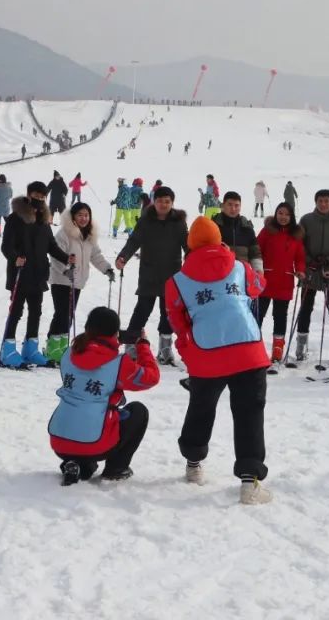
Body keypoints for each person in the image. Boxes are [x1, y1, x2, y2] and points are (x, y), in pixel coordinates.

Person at [166, 216, 272, 505]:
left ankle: (193, 463)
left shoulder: (177, 281)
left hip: (206, 353)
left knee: (201, 408)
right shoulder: (239, 267)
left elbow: (176, 319)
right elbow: (259, 287)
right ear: (218, 239)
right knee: (249, 412)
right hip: (248, 350)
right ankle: (250, 482)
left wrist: (188, 348)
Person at [49, 306, 160, 485]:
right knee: (137, 411)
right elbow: (151, 378)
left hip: (59, 440)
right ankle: (116, 468)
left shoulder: (68, 354)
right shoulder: (118, 363)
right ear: (115, 333)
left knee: (90, 410)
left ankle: (77, 465)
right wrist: (143, 347)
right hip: (94, 443)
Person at [0, 181, 72, 369]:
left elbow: (51, 246)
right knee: (16, 312)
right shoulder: (16, 218)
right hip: (20, 273)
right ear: (29, 194)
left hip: (39, 273)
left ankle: (30, 349)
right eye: (36, 195)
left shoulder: (43, 221)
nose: (39, 199)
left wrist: (66, 259)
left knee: (36, 312)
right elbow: (6, 246)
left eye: (42, 197)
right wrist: (15, 258)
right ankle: (7, 350)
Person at [114, 187, 188, 363]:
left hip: (172, 274)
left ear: (172, 203)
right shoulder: (146, 221)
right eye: (160, 201)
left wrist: (194, 260)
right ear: (154, 202)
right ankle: (131, 343)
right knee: (142, 310)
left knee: (168, 312)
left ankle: (165, 347)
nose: (163, 204)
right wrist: (123, 256)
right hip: (149, 273)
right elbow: (134, 241)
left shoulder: (178, 222)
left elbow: (187, 244)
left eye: (167, 201)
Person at [45, 202, 116, 362]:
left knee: (69, 315)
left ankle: (61, 346)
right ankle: (52, 348)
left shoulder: (89, 236)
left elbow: (95, 255)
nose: (84, 218)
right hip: (62, 280)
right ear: (73, 217)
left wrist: (107, 269)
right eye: (80, 215)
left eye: (86, 215)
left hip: (77, 281)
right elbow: (56, 257)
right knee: (62, 314)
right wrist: (66, 269)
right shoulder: (64, 234)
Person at [295, 190, 329, 363]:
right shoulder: (306, 220)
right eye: (320, 201)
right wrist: (309, 260)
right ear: (316, 202)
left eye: (327, 201)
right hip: (310, 271)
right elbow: (299, 243)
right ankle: (301, 343)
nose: (323, 204)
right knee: (306, 307)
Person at [256, 202, 306, 364]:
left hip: (285, 280)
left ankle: (278, 349)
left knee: (280, 316)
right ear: (276, 214)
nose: (283, 217)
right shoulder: (267, 231)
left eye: (286, 214)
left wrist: (300, 270)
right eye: (280, 213)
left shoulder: (295, 236)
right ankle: (253, 347)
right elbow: (256, 251)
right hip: (265, 279)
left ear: (291, 217)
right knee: (258, 314)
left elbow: (299, 257)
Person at [212, 191, 263, 272]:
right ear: (223, 205)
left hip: (241, 277)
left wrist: (258, 272)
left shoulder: (247, 227)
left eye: (236, 205)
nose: (233, 209)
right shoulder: (213, 226)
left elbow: (255, 253)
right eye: (230, 204)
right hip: (218, 276)